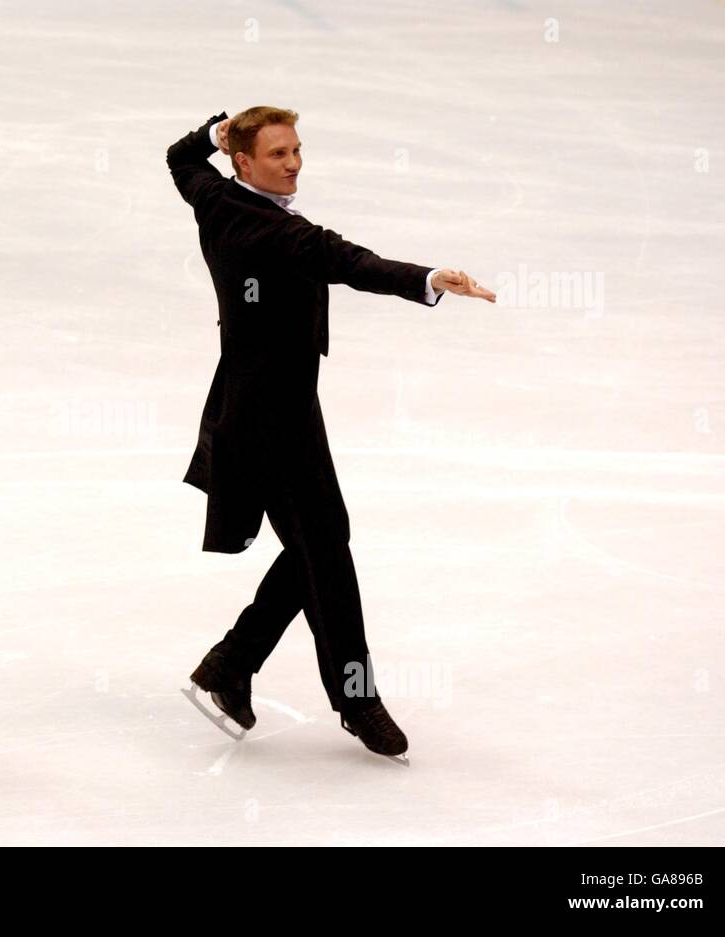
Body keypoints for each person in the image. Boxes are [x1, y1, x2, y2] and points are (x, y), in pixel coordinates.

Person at [168, 108, 495, 761]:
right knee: (328, 554)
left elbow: (181, 159)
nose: (292, 163)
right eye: (277, 154)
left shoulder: (215, 197)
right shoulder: (275, 234)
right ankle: (355, 697)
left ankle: (232, 664)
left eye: (297, 150)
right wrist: (427, 279)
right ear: (244, 162)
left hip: (266, 404)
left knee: (321, 545)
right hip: (271, 420)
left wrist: (212, 131)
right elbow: (350, 261)